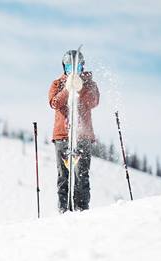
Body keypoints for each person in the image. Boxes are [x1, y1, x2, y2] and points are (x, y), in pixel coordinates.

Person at [48, 50, 100, 213]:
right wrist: (67, 89)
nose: (73, 70)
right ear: (64, 67)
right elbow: (54, 103)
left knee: (81, 175)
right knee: (64, 175)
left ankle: (82, 208)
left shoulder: (90, 83)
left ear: (82, 66)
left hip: (82, 136)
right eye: (69, 67)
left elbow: (93, 101)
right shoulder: (58, 83)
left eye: (76, 67)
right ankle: (63, 209)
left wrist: (80, 86)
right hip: (63, 136)